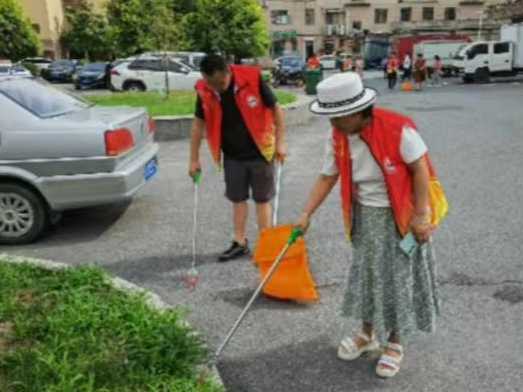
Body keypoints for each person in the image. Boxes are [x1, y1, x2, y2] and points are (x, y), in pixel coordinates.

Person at [294, 72, 448, 378]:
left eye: (336, 116)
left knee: (397, 280)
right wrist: (305, 213)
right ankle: (367, 334)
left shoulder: (397, 128)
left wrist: (421, 215)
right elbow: (328, 175)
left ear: (355, 111)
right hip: (365, 216)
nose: (331, 123)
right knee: (367, 276)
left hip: (400, 217)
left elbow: (419, 169)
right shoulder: (337, 135)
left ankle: (395, 342)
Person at [189, 54, 286, 262]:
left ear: (228, 71)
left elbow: (276, 109)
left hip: (261, 150)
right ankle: (240, 243)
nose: (216, 88)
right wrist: (194, 159)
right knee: (237, 198)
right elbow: (198, 124)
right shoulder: (204, 90)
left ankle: (266, 243)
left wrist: (281, 142)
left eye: (220, 83)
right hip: (232, 154)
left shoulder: (251, 79)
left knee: (262, 199)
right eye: (210, 83)